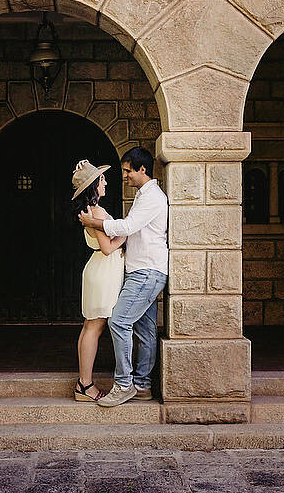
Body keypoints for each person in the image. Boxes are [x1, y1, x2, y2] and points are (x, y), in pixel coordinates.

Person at [78, 146, 167, 408]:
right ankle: (142, 385)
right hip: (142, 270)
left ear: (142, 169)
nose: (124, 176)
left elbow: (127, 227)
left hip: (146, 272)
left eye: (128, 171)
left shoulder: (152, 197)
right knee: (145, 329)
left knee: (118, 322)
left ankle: (124, 384)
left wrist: (95, 224)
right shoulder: (144, 196)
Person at [68, 159, 126, 402]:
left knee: (89, 326)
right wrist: (126, 233)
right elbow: (107, 248)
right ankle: (85, 385)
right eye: (101, 179)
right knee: (94, 327)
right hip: (103, 271)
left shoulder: (91, 210)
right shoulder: (98, 211)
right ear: (93, 185)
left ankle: (84, 382)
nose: (105, 182)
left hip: (98, 271)